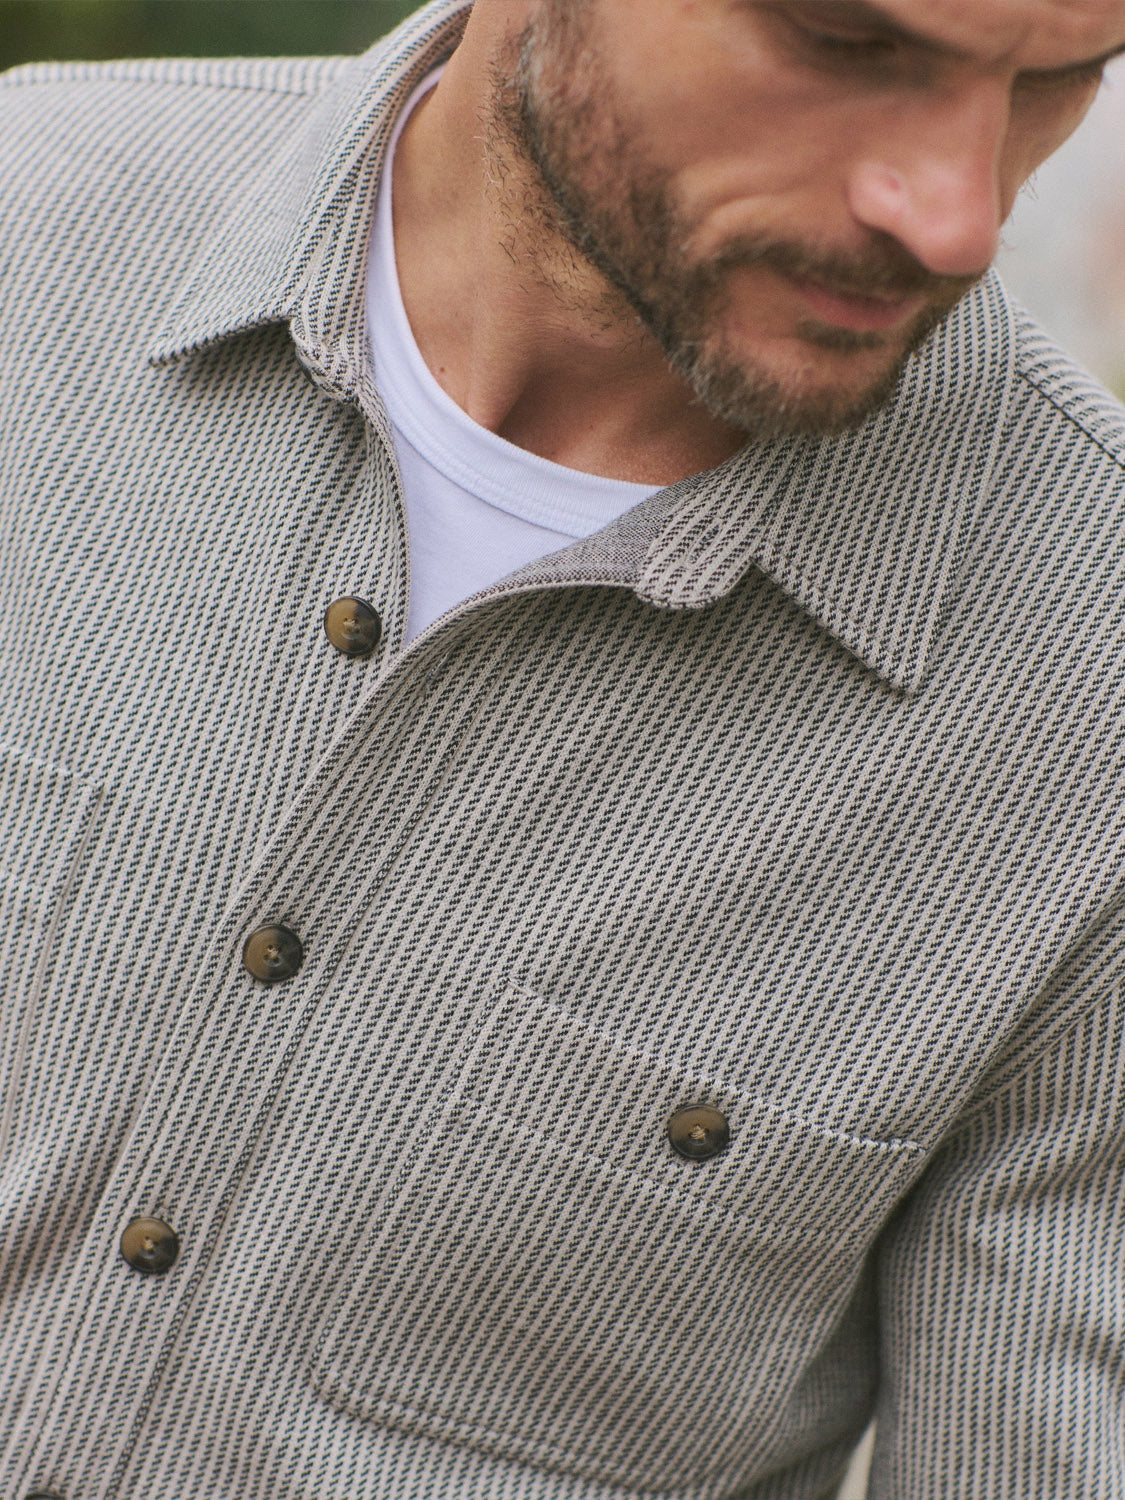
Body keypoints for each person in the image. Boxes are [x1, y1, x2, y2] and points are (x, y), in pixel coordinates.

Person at [2, 1, 1124, 1495]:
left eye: (1059, 82)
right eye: (849, 46)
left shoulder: (1088, 690)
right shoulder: (30, 226)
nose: (955, 218)